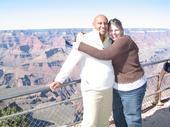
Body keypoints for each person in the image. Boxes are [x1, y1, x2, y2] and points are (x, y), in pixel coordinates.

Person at [77, 18, 147, 127]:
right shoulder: (111, 42)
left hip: (133, 87)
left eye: (116, 30)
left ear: (122, 30)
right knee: (118, 116)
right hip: (117, 87)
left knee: (132, 118)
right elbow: (99, 40)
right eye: (110, 30)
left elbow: (104, 55)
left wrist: (79, 45)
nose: (113, 33)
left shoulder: (124, 40)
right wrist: (87, 36)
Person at [48, 14, 115, 127]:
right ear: (93, 25)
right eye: (99, 23)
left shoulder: (110, 40)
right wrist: (59, 79)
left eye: (105, 23)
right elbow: (71, 61)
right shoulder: (85, 40)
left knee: (104, 122)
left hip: (108, 88)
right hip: (92, 89)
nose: (103, 25)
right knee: (90, 123)